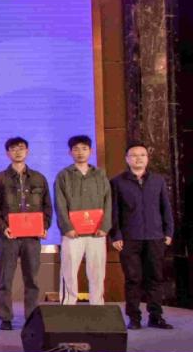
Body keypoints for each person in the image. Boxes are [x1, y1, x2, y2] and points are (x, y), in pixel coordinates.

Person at [110, 143, 175, 329]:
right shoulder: (117, 182)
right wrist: (115, 235)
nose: (138, 158)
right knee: (133, 279)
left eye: (142, 155)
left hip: (155, 237)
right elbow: (114, 212)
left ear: (147, 158)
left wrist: (168, 232)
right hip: (129, 238)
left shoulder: (158, 180)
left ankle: (156, 316)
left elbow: (166, 208)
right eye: (134, 155)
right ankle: (134, 318)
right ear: (127, 159)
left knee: (155, 277)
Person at [0, 137, 51, 330]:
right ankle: (6, 318)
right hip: (9, 236)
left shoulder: (39, 178)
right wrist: (3, 228)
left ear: (27, 151)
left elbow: (47, 206)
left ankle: (31, 318)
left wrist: (44, 226)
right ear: (7, 153)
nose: (17, 152)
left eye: (21, 148)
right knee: (5, 279)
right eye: (13, 149)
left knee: (32, 280)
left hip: (32, 238)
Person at [54, 135, 112, 306]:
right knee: (69, 270)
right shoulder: (64, 175)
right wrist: (67, 227)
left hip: (97, 232)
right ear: (70, 152)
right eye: (76, 149)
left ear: (90, 151)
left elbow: (108, 201)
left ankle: (97, 305)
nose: (80, 152)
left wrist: (105, 226)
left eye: (84, 149)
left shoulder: (100, 174)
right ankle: (68, 305)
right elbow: (60, 203)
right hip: (72, 233)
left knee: (97, 271)